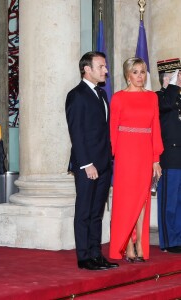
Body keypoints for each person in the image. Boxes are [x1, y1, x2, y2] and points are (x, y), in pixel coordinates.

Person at [65, 51, 118, 270]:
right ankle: (84, 257)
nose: (106, 70)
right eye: (101, 66)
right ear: (87, 69)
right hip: (88, 165)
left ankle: (96, 254)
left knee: (97, 212)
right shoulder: (76, 95)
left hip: (104, 162)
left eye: (105, 66)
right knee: (85, 211)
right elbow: (76, 132)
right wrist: (87, 164)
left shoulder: (102, 94)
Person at [109, 57, 163, 262]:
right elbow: (113, 130)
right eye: (135, 72)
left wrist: (155, 158)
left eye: (142, 72)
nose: (140, 76)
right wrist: (112, 157)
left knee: (142, 200)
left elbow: (156, 128)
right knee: (126, 200)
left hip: (145, 152)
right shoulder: (118, 98)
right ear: (127, 75)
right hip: (125, 153)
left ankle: (139, 241)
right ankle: (127, 244)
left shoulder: (152, 98)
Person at [156, 58, 181, 253]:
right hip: (169, 156)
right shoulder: (159, 97)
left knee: (179, 201)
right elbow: (166, 106)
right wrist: (171, 86)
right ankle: (170, 241)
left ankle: (179, 237)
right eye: (178, 76)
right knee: (169, 202)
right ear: (167, 78)